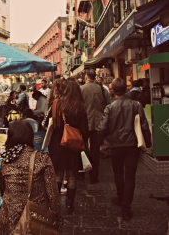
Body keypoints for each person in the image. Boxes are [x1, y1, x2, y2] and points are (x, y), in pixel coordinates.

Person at [0, 120, 63, 235]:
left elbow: (3, 191)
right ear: (30, 137)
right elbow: (53, 196)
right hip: (36, 220)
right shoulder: (42, 159)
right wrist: (58, 221)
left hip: (11, 219)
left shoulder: (5, 161)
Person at [97, 78, 151, 221]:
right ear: (126, 89)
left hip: (116, 146)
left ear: (113, 90)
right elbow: (144, 125)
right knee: (130, 177)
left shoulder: (110, 107)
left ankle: (122, 198)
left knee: (118, 173)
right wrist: (148, 144)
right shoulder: (136, 105)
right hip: (132, 145)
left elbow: (102, 127)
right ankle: (126, 207)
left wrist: (101, 142)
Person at [44, 80, 88, 213]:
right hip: (73, 147)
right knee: (71, 175)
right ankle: (70, 205)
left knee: (57, 174)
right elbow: (85, 130)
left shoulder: (56, 104)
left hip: (57, 145)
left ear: (66, 91)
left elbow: (46, 124)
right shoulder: (80, 107)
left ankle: (55, 204)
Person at [80, 69, 110, 184]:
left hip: (85, 123)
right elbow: (108, 105)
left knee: (81, 147)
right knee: (95, 150)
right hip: (98, 124)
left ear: (86, 77)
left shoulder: (81, 89)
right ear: (95, 77)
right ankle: (94, 176)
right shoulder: (102, 89)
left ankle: (82, 172)